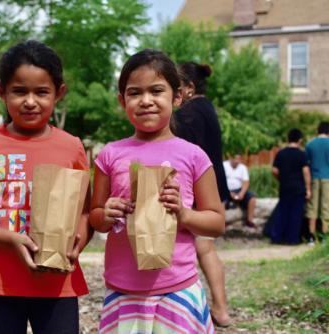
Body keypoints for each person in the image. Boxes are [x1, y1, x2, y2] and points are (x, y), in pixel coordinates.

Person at [0, 41, 92, 334]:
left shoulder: (72, 147)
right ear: (1, 91)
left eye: (41, 92)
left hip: (57, 284)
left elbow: (86, 211)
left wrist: (81, 238)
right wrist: (11, 238)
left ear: (59, 93)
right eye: (19, 91)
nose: (30, 101)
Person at [90, 49, 225, 333]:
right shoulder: (110, 155)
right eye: (134, 93)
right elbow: (95, 216)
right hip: (123, 289)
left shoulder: (193, 156)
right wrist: (107, 212)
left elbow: (216, 222)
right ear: (121, 100)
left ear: (177, 97)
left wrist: (183, 214)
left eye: (156, 91)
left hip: (177, 289)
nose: (146, 101)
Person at [170, 61, 231, 327]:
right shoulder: (206, 108)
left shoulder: (189, 113)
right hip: (214, 186)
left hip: (202, 191)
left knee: (204, 249)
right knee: (205, 248)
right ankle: (219, 307)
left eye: (176, 89)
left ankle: (220, 308)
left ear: (189, 88)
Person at [305, 121, 329, 243]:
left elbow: (306, 163)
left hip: (314, 178)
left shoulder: (310, 144)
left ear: (318, 130)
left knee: (312, 207)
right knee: (327, 207)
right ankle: (324, 237)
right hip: (328, 178)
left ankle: (311, 237)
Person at [271, 129, 311, 244]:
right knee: (295, 215)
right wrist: (308, 189)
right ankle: (292, 239)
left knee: (282, 212)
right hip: (298, 188)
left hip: (284, 187)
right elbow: (306, 172)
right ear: (300, 140)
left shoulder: (281, 153)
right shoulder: (301, 154)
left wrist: (280, 179)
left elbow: (274, 170)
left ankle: (276, 237)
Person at [223, 154, 257, 228]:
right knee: (221, 199)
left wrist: (242, 193)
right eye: (235, 159)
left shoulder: (243, 167)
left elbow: (246, 182)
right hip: (225, 189)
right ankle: (222, 222)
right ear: (230, 158)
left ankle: (249, 220)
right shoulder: (224, 165)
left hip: (238, 189)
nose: (237, 161)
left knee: (252, 198)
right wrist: (228, 192)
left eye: (238, 160)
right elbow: (220, 181)